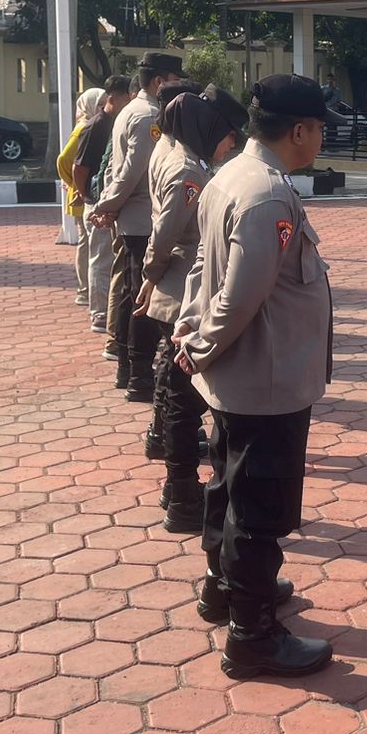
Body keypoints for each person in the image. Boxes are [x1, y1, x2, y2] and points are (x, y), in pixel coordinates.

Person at [173, 73, 346, 679]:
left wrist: (191, 324)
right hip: (266, 379)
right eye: (320, 128)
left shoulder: (231, 175)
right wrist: (200, 343)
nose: (322, 137)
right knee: (259, 509)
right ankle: (252, 636)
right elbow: (242, 294)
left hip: (244, 376)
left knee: (227, 488)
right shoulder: (267, 193)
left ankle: (224, 590)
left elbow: (203, 266)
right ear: (298, 131)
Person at [136, 84, 248, 535]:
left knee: (171, 391)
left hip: (175, 289)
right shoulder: (189, 171)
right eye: (228, 134)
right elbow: (166, 234)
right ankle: (182, 493)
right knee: (184, 400)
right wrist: (150, 274)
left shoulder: (179, 155)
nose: (232, 144)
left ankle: (175, 486)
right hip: (182, 292)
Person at [90, 51, 188, 400]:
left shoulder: (131, 109)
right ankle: (138, 375)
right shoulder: (149, 116)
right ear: (160, 81)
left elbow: (116, 170)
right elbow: (133, 170)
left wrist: (109, 204)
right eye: (175, 81)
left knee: (131, 295)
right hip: (142, 219)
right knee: (143, 300)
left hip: (131, 216)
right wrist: (107, 205)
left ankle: (128, 369)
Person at [73, 75, 134, 335]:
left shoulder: (118, 122)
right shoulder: (97, 125)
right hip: (97, 202)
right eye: (126, 99)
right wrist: (85, 194)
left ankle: (107, 311)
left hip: (108, 201)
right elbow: (79, 167)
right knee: (100, 259)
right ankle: (99, 313)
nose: (129, 103)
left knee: (108, 258)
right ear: (112, 98)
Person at [57, 87, 104, 307]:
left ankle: (86, 290)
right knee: (86, 244)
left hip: (81, 193)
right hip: (82, 196)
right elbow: (63, 160)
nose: (103, 107)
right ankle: (85, 291)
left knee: (86, 243)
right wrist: (75, 185)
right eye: (100, 103)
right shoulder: (86, 127)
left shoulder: (91, 124)